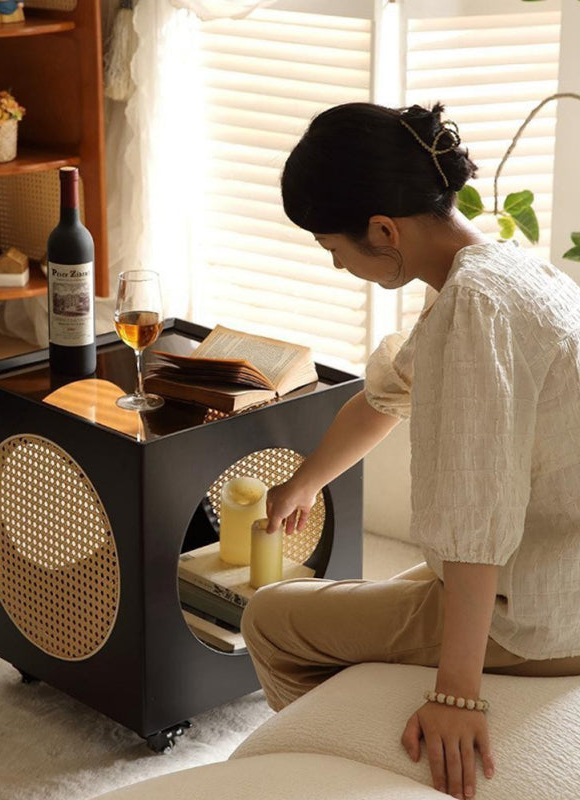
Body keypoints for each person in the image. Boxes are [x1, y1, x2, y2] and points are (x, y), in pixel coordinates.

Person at [240, 101, 580, 800]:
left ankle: (326, 770)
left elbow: (477, 528)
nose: (340, 267)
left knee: (270, 619)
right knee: (373, 597)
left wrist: (457, 698)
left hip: (542, 619)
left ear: (383, 231)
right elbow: (383, 398)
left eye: (335, 250)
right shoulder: (511, 272)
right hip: (561, 571)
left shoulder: (472, 313)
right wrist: (303, 483)